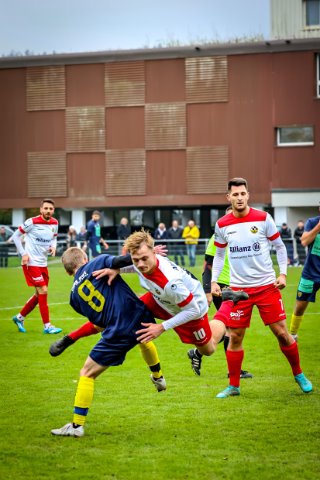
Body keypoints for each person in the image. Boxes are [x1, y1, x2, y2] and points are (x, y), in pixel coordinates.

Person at [92, 229, 249, 378]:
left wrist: (161, 327)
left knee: (209, 349)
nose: (140, 264)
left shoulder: (170, 282)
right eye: (135, 260)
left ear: (154, 253)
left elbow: (192, 310)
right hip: (162, 300)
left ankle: (227, 301)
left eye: (144, 258)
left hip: (191, 308)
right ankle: (90, 337)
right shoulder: (144, 261)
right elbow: (136, 266)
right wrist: (118, 270)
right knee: (126, 311)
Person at [211, 177, 312, 398]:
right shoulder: (222, 225)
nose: (239, 198)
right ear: (228, 197)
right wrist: (213, 281)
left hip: (266, 287)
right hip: (238, 291)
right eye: (235, 194)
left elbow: (280, 247)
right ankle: (234, 386)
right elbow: (219, 255)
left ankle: (299, 374)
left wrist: (283, 274)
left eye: (242, 194)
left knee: (282, 334)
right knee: (235, 337)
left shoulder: (263, 218)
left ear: (248, 195)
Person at [202, 206, 253, 379]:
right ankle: (234, 371)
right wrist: (208, 290)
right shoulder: (216, 237)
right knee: (231, 328)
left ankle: (198, 353)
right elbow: (207, 266)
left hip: (238, 285)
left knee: (231, 328)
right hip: (222, 286)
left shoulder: (241, 236)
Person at [11, 198, 62, 334]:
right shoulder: (31, 222)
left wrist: (53, 247)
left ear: (53, 211)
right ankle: (47, 326)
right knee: (43, 290)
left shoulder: (55, 223)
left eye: (50, 209)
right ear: (41, 210)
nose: (48, 211)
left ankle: (19, 317)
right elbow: (16, 236)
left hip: (43, 264)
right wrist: (23, 254)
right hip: (31, 263)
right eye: (45, 208)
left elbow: (54, 237)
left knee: (38, 294)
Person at [289, 207, 320, 339]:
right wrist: (318, 226)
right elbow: (304, 241)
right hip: (310, 273)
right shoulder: (312, 222)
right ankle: (293, 334)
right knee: (300, 305)